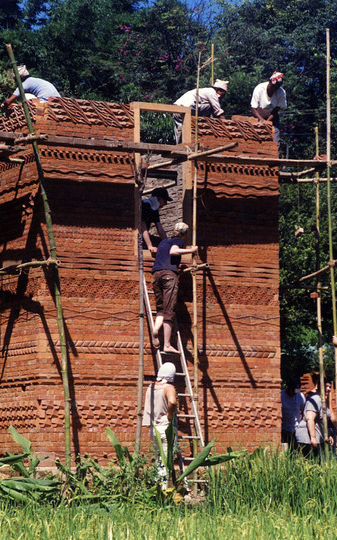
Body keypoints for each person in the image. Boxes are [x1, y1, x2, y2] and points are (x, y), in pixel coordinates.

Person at [151, 222, 198, 353]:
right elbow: (173, 251)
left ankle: (156, 329)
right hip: (168, 275)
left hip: (156, 275)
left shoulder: (164, 241)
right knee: (169, 311)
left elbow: (164, 253)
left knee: (161, 308)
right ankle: (166, 344)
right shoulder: (178, 240)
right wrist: (191, 250)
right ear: (184, 234)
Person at [142, 362, 178, 487]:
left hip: (154, 429)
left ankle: (157, 488)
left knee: (158, 460)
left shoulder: (150, 387)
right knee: (166, 461)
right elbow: (172, 402)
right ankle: (163, 491)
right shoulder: (168, 388)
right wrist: (169, 415)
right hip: (165, 428)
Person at [294, 372, 330, 458]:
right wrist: (313, 438)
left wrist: (328, 435)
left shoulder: (322, 400)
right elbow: (309, 418)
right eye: (326, 386)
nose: (328, 389)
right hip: (307, 438)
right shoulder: (315, 399)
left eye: (329, 387)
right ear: (319, 387)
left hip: (318, 437)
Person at [250, 71, 287, 142]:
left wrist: (267, 122)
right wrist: (261, 120)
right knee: (256, 138)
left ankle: (275, 152)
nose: (274, 89)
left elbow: (276, 110)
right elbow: (253, 109)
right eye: (273, 87)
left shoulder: (281, 93)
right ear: (269, 82)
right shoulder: (259, 89)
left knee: (275, 139)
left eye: (276, 88)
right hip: (258, 116)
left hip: (272, 117)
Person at [141, 187, 171, 254]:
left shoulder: (154, 209)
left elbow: (160, 229)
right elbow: (143, 227)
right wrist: (150, 246)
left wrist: (168, 243)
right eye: (164, 201)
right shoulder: (145, 206)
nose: (165, 204)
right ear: (158, 199)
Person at [280, 377, 305, 452]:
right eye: (292, 390)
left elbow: (304, 412)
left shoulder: (300, 396)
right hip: (283, 429)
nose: (294, 393)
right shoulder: (281, 395)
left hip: (296, 430)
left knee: (295, 452)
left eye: (296, 391)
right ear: (288, 387)